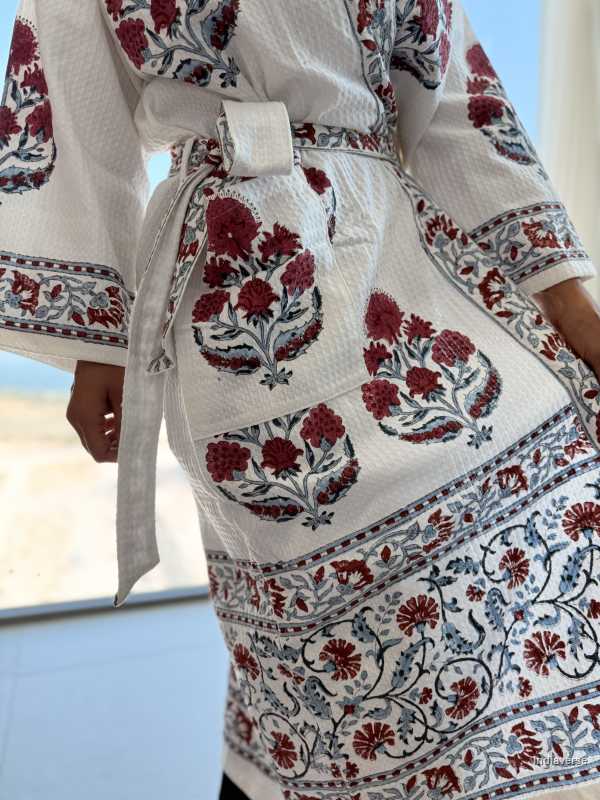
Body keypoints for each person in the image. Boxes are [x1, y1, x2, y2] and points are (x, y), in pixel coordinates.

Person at [3, 1, 600, 799]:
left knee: (561, 492)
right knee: (340, 652)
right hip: (246, 294)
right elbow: (70, 88)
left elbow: (458, 104)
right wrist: (97, 343)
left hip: (408, 256)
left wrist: (567, 300)